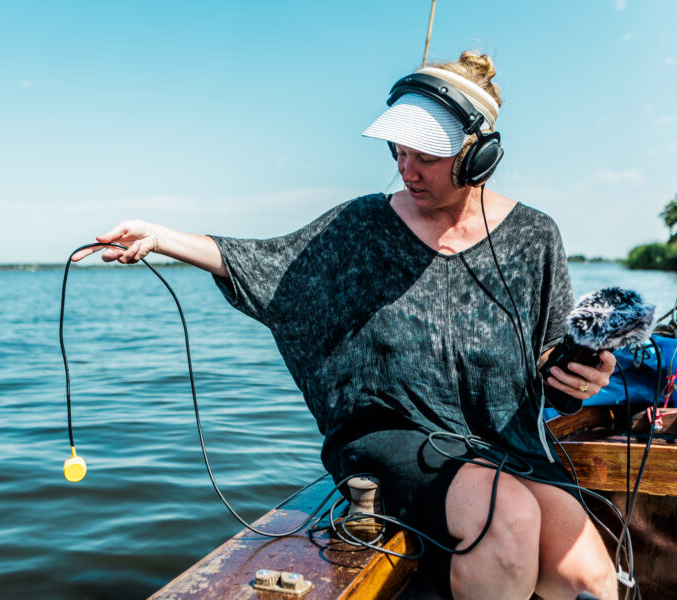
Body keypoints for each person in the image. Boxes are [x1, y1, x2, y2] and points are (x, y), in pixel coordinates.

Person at [73, 51, 619, 600]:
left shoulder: (535, 235)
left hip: (507, 441)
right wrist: (160, 237)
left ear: (478, 155)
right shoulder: (362, 224)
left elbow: (547, 350)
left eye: (425, 156)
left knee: (591, 581)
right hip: (398, 434)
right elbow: (268, 265)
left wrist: (579, 375)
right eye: (398, 152)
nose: (406, 170)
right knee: (510, 518)